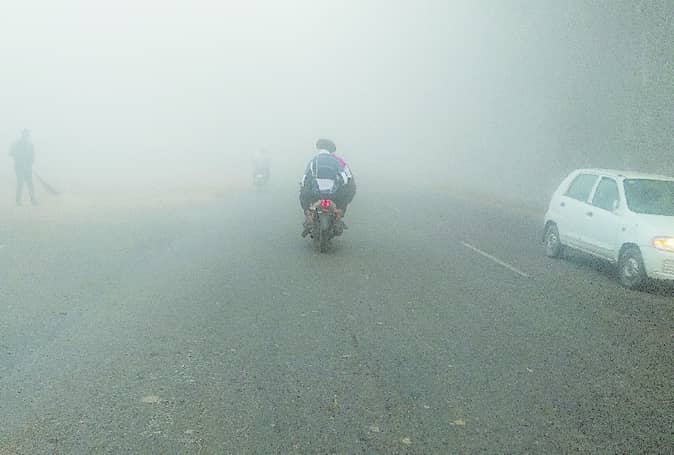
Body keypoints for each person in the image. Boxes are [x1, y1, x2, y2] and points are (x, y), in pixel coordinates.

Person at [299, 138, 356, 236]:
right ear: (331, 150)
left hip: (316, 195)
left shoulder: (313, 161)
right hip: (333, 195)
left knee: (303, 193)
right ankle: (339, 214)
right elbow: (345, 179)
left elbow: (305, 179)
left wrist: (305, 187)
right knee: (348, 191)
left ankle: (308, 215)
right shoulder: (336, 161)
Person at [9, 129, 37, 206]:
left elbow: (32, 157)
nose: (26, 136)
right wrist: (19, 158)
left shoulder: (30, 145)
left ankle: (33, 200)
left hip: (28, 168)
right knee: (20, 183)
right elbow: (11, 153)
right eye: (25, 134)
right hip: (19, 167)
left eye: (27, 134)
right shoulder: (16, 144)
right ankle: (18, 201)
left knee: (30, 183)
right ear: (22, 134)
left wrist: (30, 164)